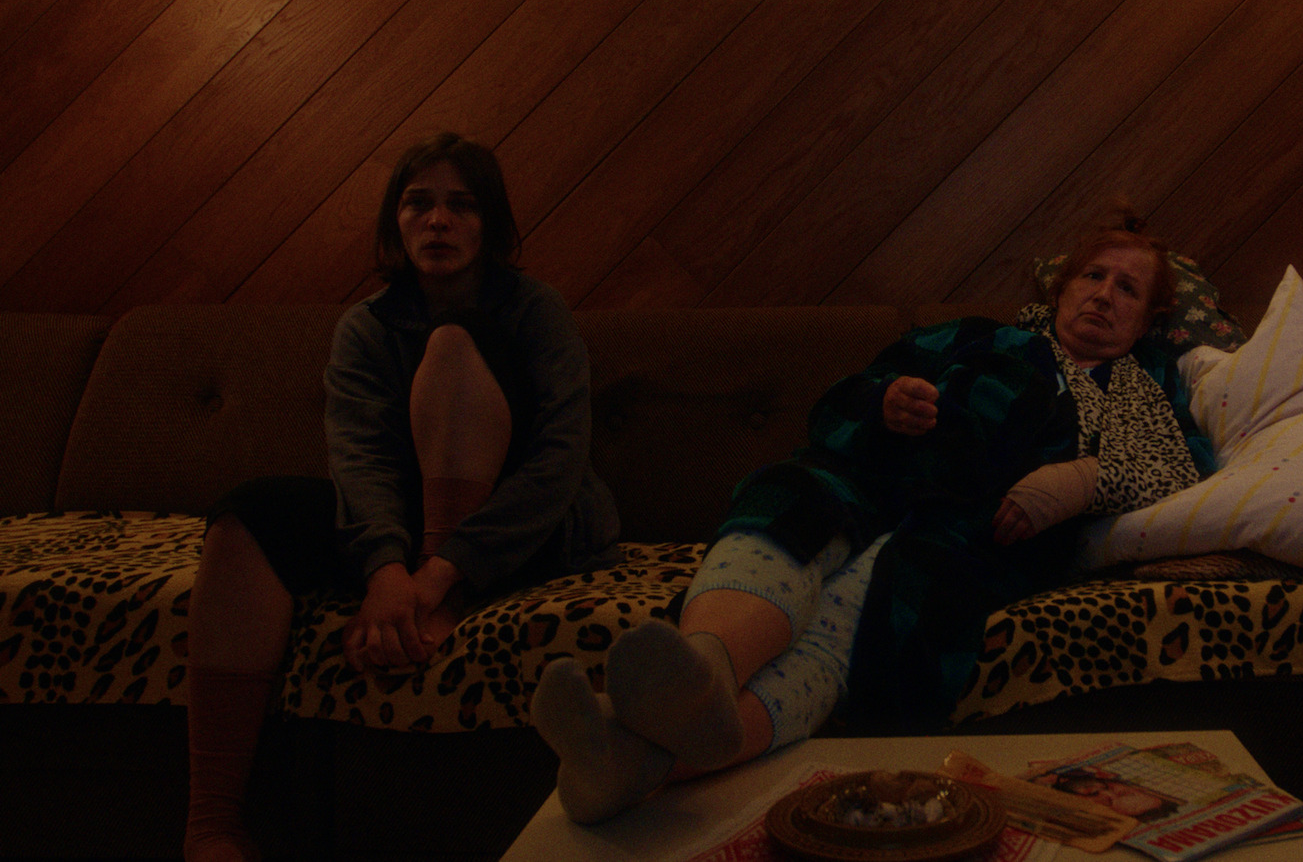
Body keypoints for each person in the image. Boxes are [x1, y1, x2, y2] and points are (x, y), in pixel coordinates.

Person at [530, 214, 1216, 823]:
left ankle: (629, 763)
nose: (1104, 294)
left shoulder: (1142, 391)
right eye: (1093, 276)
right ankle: (707, 667)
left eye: (1128, 288)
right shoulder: (979, 338)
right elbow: (840, 402)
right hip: (871, 478)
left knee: (875, 612)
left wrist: (1082, 479)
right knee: (792, 501)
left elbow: (1186, 468)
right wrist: (885, 402)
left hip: (964, 534)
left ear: (1147, 320)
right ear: (1061, 288)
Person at [183, 134, 620, 862]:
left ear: (490, 225)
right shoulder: (366, 326)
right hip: (403, 528)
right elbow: (358, 458)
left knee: (451, 347)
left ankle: (437, 600)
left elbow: (560, 462)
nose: (438, 221)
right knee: (246, 516)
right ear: (396, 221)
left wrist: (434, 577)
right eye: (419, 204)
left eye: (461, 205)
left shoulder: (537, 311)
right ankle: (212, 825)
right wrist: (385, 570)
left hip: (528, 522)